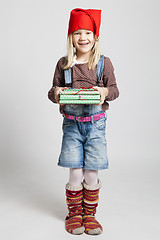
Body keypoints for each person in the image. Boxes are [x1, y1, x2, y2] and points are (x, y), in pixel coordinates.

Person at [48, 8, 119, 235]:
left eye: (87, 33)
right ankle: (74, 214)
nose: (83, 38)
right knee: (75, 173)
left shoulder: (103, 63)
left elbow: (115, 90)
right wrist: (57, 93)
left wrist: (104, 92)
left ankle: (90, 215)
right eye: (78, 33)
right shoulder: (64, 63)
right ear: (71, 37)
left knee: (91, 173)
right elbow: (52, 92)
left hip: (96, 126)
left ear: (95, 36)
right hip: (71, 126)